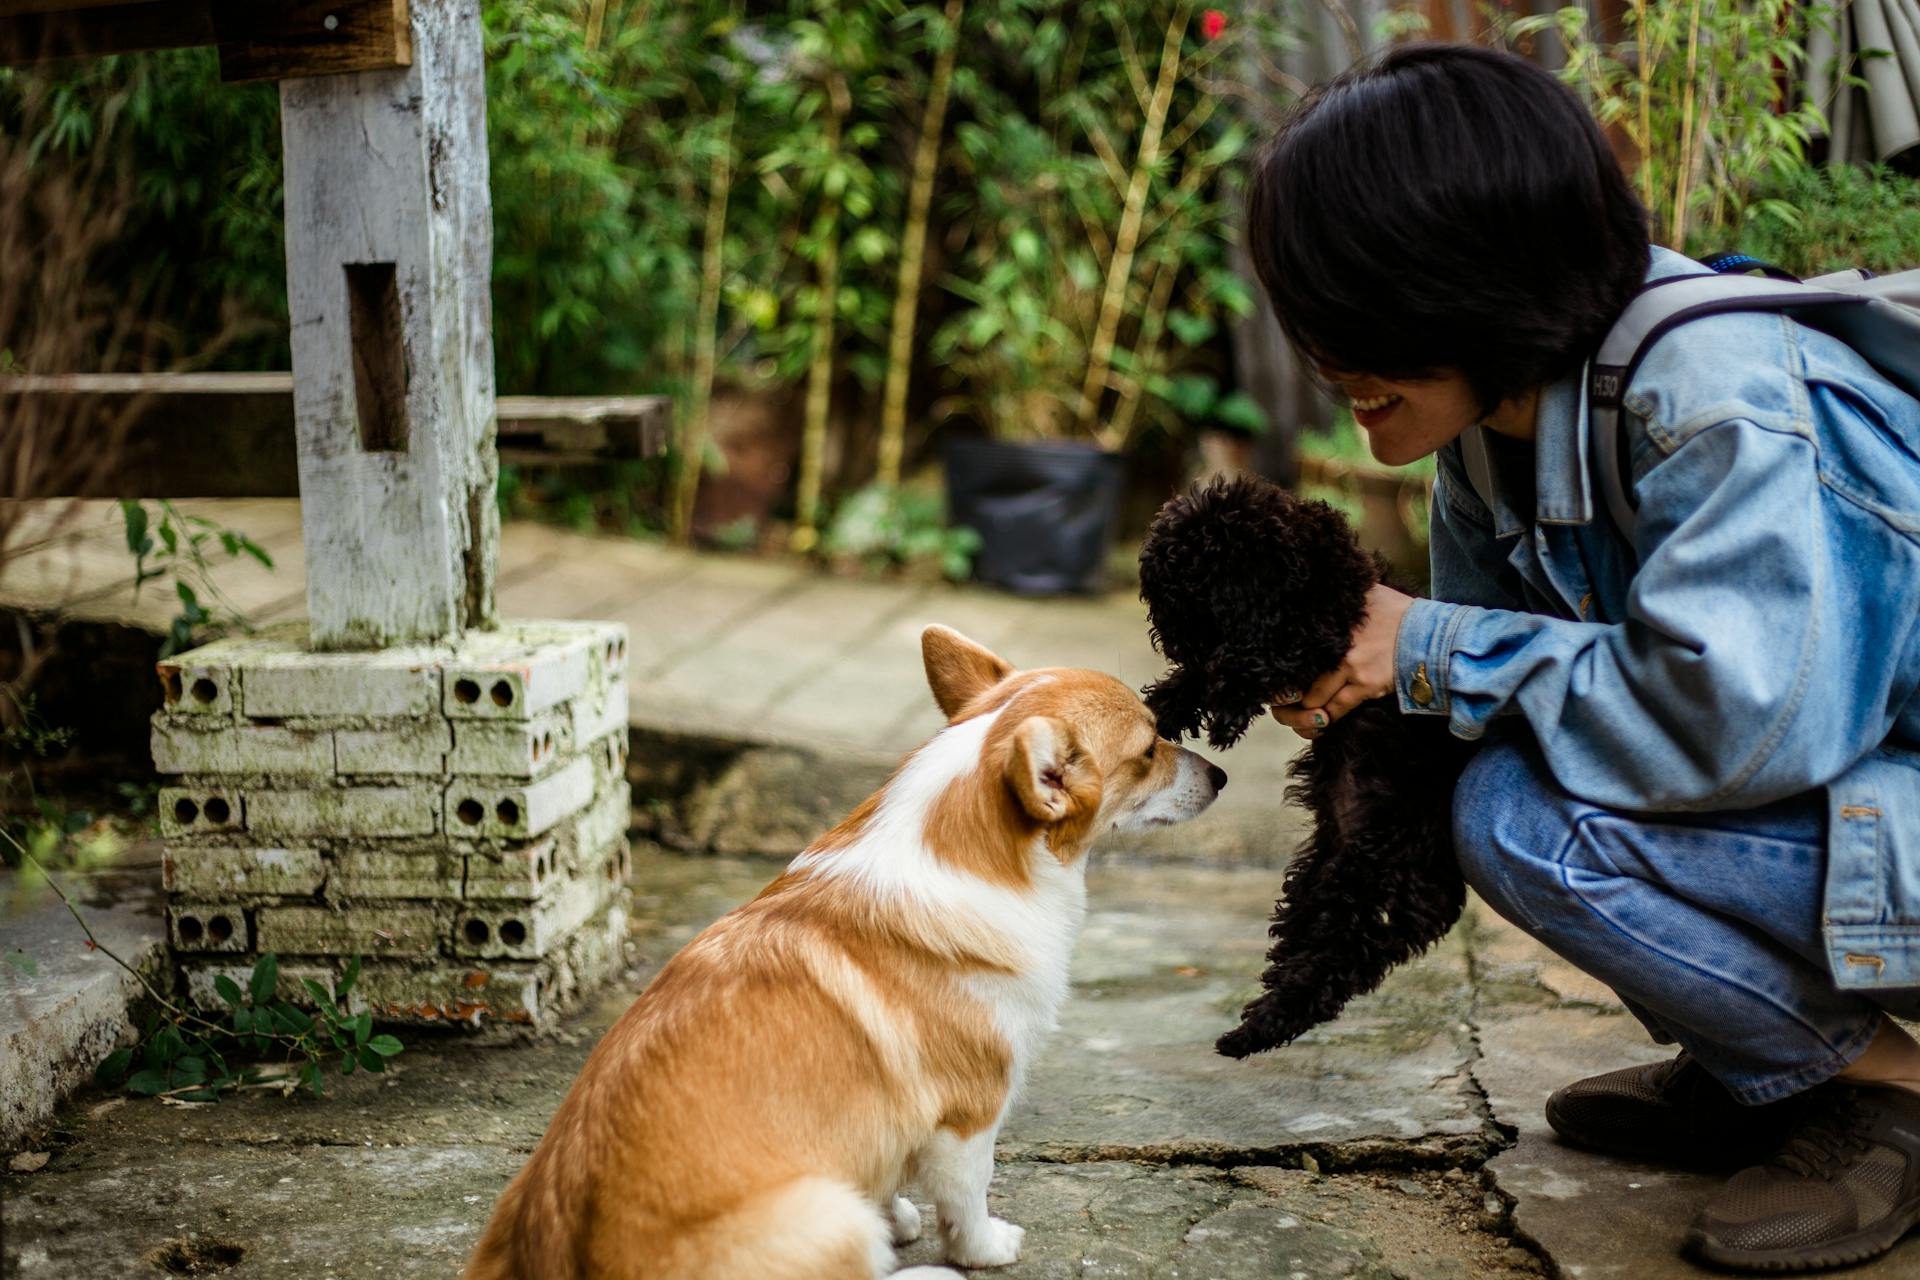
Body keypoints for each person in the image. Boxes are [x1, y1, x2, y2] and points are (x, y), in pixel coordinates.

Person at [1247, 42, 1920, 1273]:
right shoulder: (1493, 431)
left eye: (1356, 313)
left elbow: (1740, 723)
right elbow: (1489, 697)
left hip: (1878, 813)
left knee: (1524, 820)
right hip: (1871, 820)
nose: (1329, 361)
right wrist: (1353, 681)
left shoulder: (1711, 399)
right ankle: (1764, 1064)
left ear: (1469, 280)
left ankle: (1878, 1088)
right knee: (1492, 781)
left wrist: (1436, 644)